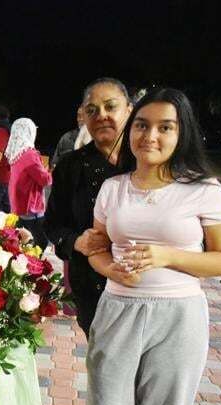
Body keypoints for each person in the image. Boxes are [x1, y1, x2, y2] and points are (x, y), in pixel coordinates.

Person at [84, 88, 221, 405]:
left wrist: (167, 255)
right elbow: (96, 246)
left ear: (180, 133)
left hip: (179, 316)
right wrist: (107, 267)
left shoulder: (203, 189)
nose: (150, 136)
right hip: (117, 308)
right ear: (130, 131)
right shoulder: (113, 188)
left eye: (164, 127)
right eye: (142, 125)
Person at [45, 77, 133, 336]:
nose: (101, 115)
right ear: (82, 116)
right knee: (105, 367)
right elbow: (53, 224)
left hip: (146, 288)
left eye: (110, 107)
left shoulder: (149, 163)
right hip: (93, 289)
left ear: (129, 110)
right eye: (92, 110)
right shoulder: (70, 167)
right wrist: (76, 242)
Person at [6, 118, 52, 250]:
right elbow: (44, 180)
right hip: (31, 207)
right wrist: (50, 173)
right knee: (41, 242)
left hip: (18, 204)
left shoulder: (15, 153)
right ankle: (32, 267)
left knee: (21, 240)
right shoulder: (30, 154)